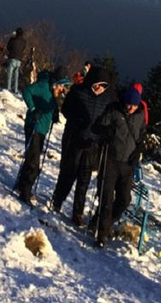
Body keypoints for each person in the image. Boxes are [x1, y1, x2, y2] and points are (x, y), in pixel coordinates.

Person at [51, 67, 115, 226]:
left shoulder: (108, 100)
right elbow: (65, 109)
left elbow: (110, 121)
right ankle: (57, 200)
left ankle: (77, 212)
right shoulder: (78, 91)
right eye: (98, 84)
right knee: (68, 172)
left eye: (103, 85)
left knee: (84, 179)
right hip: (75, 139)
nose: (100, 88)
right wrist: (77, 119)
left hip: (92, 144)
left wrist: (106, 133)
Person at [92, 87, 147, 247]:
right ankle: (101, 235)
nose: (130, 108)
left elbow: (142, 136)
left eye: (134, 106)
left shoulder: (140, 117)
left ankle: (102, 222)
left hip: (128, 164)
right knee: (106, 198)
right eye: (128, 104)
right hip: (110, 160)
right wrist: (106, 132)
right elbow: (97, 127)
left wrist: (138, 152)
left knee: (124, 199)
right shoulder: (114, 111)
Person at [15, 67, 70, 205]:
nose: (63, 89)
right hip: (34, 126)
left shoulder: (52, 91)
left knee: (32, 157)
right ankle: (25, 192)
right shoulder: (43, 86)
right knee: (34, 161)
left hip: (42, 129)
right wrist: (33, 109)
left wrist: (54, 113)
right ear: (55, 83)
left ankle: (22, 184)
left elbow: (49, 102)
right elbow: (26, 91)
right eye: (62, 85)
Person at [5, 27, 26, 93]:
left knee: (10, 75)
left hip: (12, 58)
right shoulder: (24, 42)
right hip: (19, 60)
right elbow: (23, 49)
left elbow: (8, 47)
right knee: (16, 76)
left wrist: (12, 37)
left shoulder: (12, 39)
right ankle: (15, 89)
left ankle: (8, 89)